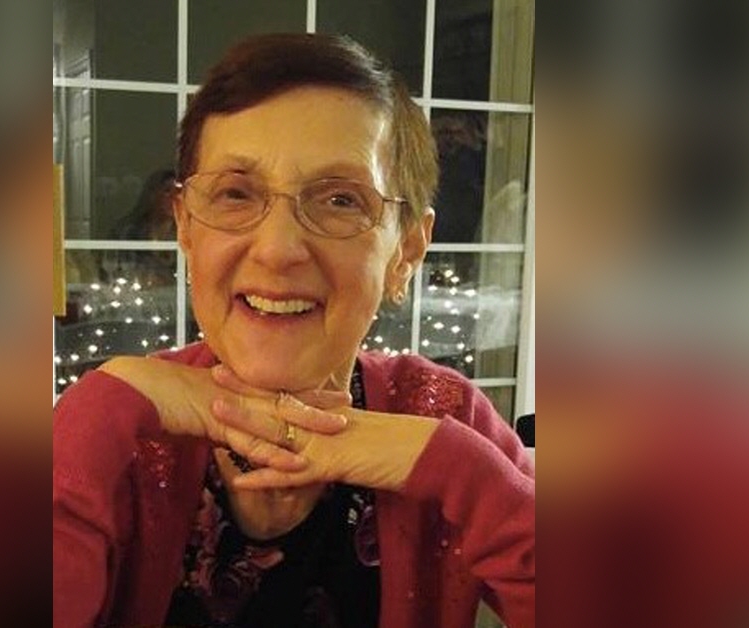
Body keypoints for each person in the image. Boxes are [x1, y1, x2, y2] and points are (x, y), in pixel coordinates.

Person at [53, 33, 534, 628]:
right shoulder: (120, 437)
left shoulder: (445, 419)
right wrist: (98, 410)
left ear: (406, 251)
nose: (278, 249)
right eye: (235, 193)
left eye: (340, 200)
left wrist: (459, 473)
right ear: (186, 227)